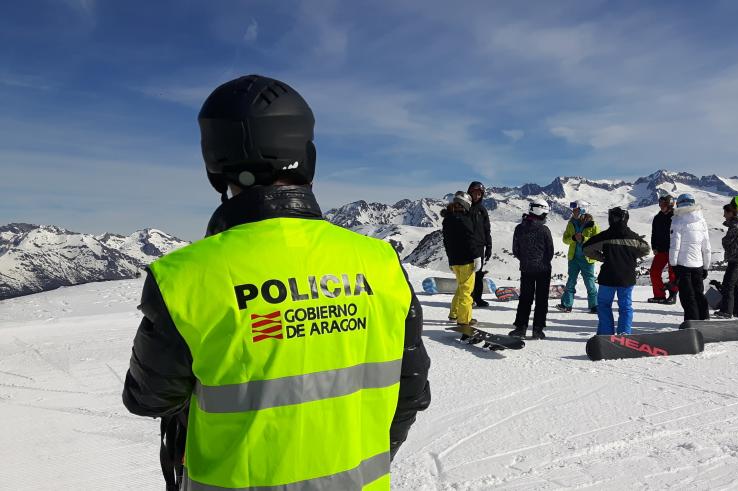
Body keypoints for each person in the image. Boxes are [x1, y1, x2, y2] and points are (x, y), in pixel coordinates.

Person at [121, 75, 431, 491]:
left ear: (215, 163)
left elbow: (149, 398)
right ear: (307, 156)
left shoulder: (184, 277)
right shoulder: (381, 263)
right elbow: (411, 390)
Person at [583, 207, 650, 335]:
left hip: (608, 276)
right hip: (627, 277)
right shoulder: (633, 237)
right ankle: (624, 334)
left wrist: (602, 257)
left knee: (603, 305)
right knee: (625, 307)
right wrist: (631, 256)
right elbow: (646, 249)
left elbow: (586, 248)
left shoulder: (605, 235)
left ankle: (605, 334)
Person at [509, 199, 555, 339]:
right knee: (541, 300)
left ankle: (520, 328)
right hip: (543, 270)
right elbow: (550, 251)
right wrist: (543, 261)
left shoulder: (519, 228)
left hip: (526, 269)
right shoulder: (544, 229)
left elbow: (515, 250)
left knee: (525, 299)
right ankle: (538, 330)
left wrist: (525, 260)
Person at [669, 193, 712, 321]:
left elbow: (675, 245)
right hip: (698, 265)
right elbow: (706, 246)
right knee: (699, 293)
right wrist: (706, 266)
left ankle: (691, 322)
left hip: (683, 265)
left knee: (688, 296)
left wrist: (673, 264)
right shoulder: (701, 220)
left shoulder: (677, 220)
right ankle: (704, 319)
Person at [442, 191, 482, 327]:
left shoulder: (447, 219)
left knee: (460, 288)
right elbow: (471, 239)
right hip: (466, 261)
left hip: (454, 261)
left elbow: (446, 241)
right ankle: (464, 320)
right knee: (466, 291)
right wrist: (477, 256)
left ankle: (454, 313)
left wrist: (450, 260)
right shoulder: (464, 219)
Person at [557, 200, 600, 313]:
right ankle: (566, 305)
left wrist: (584, 239)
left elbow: (598, 241)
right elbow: (565, 240)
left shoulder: (592, 224)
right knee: (571, 281)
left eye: (576, 210)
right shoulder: (571, 223)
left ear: (583, 210)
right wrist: (573, 238)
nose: (574, 212)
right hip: (574, 258)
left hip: (587, 258)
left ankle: (594, 306)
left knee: (589, 282)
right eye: (573, 210)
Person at [714, 201, 738, 318]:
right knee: (737, 284)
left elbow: (728, 240)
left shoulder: (735, 225)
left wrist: (724, 241)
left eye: (725, 213)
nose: (724, 215)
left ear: (731, 213)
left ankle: (726, 311)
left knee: (728, 284)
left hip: (736, 257)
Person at [466, 181, 493, 308]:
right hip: (467, 246)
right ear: (469, 192)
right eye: (474, 193)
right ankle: (468, 298)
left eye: (479, 194)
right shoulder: (465, 207)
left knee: (479, 273)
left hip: (480, 247)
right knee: (468, 273)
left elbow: (487, 229)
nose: (477, 196)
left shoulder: (482, 210)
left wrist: (489, 246)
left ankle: (478, 298)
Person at [648, 194, 678, 304]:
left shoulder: (676, 216)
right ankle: (659, 295)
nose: (661, 206)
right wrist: (654, 247)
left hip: (673, 249)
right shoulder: (657, 217)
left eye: (663, 204)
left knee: (672, 273)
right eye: (660, 204)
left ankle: (672, 296)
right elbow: (654, 233)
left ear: (669, 205)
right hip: (661, 249)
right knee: (654, 272)